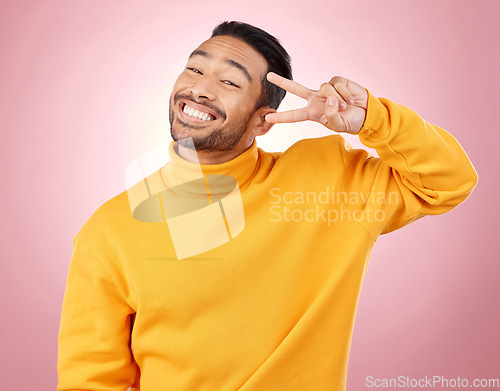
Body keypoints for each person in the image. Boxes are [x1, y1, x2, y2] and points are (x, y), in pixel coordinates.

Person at [57, 20, 478, 391]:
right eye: (195, 68)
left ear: (263, 119)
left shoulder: (330, 182)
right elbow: (88, 382)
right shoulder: (109, 230)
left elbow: (449, 181)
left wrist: (373, 119)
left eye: (230, 82)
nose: (199, 89)